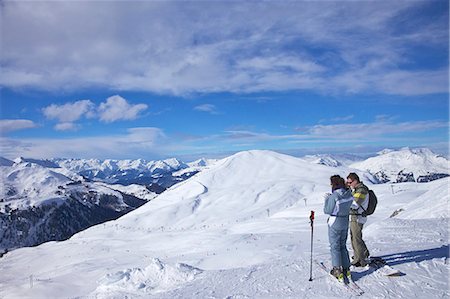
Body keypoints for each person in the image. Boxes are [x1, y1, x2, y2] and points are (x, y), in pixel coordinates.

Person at [323, 175, 354, 281]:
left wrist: (327, 199)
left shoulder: (334, 196)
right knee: (343, 245)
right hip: (345, 221)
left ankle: (337, 269)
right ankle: (346, 268)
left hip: (335, 222)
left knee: (335, 246)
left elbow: (327, 210)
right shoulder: (348, 194)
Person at [347, 172, 370, 267]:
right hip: (355, 217)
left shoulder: (361, 191)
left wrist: (345, 204)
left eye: (350, 182)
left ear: (355, 181)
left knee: (356, 238)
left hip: (358, 217)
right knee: (354, 237)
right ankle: (361, 254)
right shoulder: (357, 190)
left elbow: (355, 205)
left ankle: (360, 259)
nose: (349, 184)